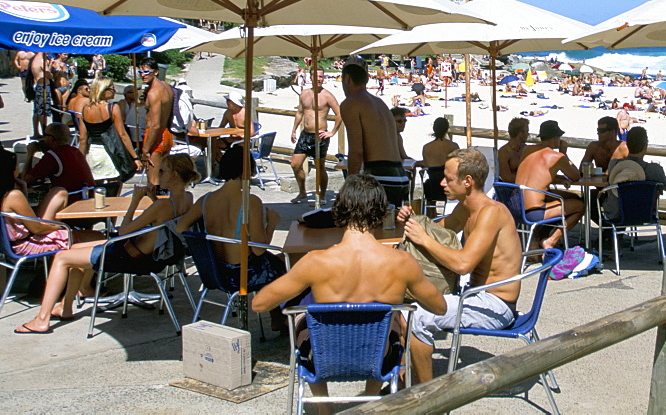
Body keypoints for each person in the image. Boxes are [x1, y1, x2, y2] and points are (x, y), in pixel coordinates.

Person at [252, 174, 445, 397]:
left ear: (340, 209)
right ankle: (371, 396)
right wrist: (404, 288)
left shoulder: (316, 262)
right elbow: (439, 307)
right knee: (392, 321)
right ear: (382, 212)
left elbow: (260, 303)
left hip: (322, 358)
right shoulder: (401, 264)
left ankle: (324, 407)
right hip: (379, 357)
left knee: (302, 312)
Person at [14, 154, 198, 334]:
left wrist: (134, 202)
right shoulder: (187, 199)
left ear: (174, 175)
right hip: (156, 258)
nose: (158, 174)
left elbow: (124, 231)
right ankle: (65, 306)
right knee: (74, 250)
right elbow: (164, 222)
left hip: (130, 256)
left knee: (62, 256)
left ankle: (42, 319)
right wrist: (152, 199)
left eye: (162, 171)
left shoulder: (163, 206)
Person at [397, 148, 522, 383]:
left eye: (448, 178)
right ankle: (405, 378)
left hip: (495, 305)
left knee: (416, 316)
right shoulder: (466, 209)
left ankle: (429, 393)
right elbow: (441, 231)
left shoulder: (490, 213)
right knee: (400, 304)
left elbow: (463, 264)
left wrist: (422, 237)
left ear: (467, 181)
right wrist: (412, 220)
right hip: (472, 293)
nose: (442, 183)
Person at [176, 146, 285, 328]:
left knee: (275, 262)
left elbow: (180, 227)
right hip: (242, 273)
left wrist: (205, 238)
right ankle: (280, 317)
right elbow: (258, 250)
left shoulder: (206, 200)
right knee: (286, 262)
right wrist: (271, 224)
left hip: (214, 270)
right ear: (247, 169)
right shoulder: (250, 202)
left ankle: (277, 316)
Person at [340, 62, 406, 205]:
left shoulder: (351, 103)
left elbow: (356, 150)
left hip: (380, 175)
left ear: (347, 79)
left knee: (363, 225)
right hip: (400, 175)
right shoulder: (380, 103)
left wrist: (349, 185)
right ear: (367, 80)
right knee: (391, 225)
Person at [515, 120, 585, 250]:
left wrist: (557, 179)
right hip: (533, 212)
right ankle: (551, 241)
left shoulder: (527, 150)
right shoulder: (556, 156)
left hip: (516, 206)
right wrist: (564, 153)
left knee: (567, 197)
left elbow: (536, 173)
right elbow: (575, 176)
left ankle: (534, 240)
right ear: (555, 138)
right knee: (580, 205)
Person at [21, 123, 95, 220]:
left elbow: (25, 180)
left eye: (44, 136)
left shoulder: (52, 156)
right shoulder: (75, 151)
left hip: (69, 202)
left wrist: (30, 154)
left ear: (50, 139)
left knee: (28, 211)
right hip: (87, 198)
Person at [290, 68, 342, 204]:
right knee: (295, 164)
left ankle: (323, 195)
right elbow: (300, 112)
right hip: (305, 135)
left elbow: (339, 114)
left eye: (321, 76)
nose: (319, 79)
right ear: (311, 77)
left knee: (320, 167)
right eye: (316, 76)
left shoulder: (327, 95)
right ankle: (302, 192)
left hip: (320, 136)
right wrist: (294, 130)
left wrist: (332, 132)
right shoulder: (304, 93)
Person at [78, 77, 142, 182]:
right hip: (110, 153)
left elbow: (82, 139)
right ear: (103, 90)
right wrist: (135, 157)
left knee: (96, 193)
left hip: (93, 153)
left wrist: (80, 160)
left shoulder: (85, 110)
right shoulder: (112, 107)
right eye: (112, 89)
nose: (115, 91)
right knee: (113, 192)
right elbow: (122, 134)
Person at [137, 57, 174, 188]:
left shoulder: (154, 93)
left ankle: (157, 205)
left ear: (156, 72)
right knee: (163, 177)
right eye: (140, 72)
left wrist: (145, 150)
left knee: (153, 181)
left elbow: (155, 124)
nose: (143, 75)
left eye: (147, 72)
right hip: (166, 134)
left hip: (156, 136)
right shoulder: (166, 87)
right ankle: (166, 203)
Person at [415, 117, 459, 208]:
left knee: (428, 183)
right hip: (449, 185)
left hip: (433, 186)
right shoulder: (453, 146)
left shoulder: (426, 147)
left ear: (434, 128)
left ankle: (431, 214)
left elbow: (426, 165)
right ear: (447, 129)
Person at [498, 117, 529, 183]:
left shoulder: (525, 148)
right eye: (527, 131)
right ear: (521, 134)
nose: (528, 134)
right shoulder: (503, 153)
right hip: (510, 189)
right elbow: (506, 178)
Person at [29, 51, 51, 138]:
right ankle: (44, 131)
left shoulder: (34, 59)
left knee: (37, 110)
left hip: (38, 85)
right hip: (43, 87)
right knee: (43, 110)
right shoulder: (42, 60)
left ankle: (36, 132)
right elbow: (48, 74)